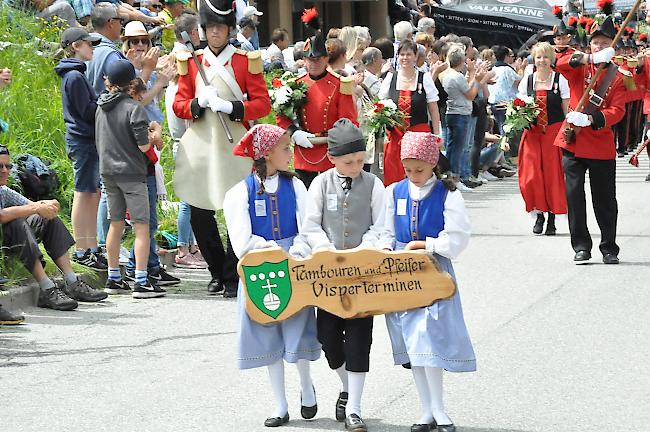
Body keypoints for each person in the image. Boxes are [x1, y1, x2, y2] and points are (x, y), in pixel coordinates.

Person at [223, 124, 320, 428]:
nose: (290, 153)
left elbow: (308, 227)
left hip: (293, 264)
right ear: (266, 154)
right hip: (260, 268)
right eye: (285, 149)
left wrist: (299, 250)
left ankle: (306, 384)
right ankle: (280, 403)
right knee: (267, 331)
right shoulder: (240, 192)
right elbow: (241, 241)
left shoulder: (297, 186)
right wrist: (270, 249)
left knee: (299, 328)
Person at [172, 0, 271, 296]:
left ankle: (232, 273)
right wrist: (197, 104)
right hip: (202, 144)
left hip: (235, 144)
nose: (215, 33)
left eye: (221, 27)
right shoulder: (192, 62)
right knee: (201, 211)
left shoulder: (245, 60)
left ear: (229, 30)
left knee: (237, 210)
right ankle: (215, 270)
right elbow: (179, 104)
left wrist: (231, 106)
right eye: (211, 27)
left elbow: (262, 103)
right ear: (203, 30)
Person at [378, 131, 475, 432]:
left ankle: (439, 409)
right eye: (408, 170)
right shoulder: (394, 192)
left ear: (432, 164)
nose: (413, 175)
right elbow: (385, 231)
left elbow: (457, 237)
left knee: (430, 338)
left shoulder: (448, 193)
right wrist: (385, 251)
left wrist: (427, 245)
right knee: (413, 343)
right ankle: (426, 410)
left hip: (434, 272)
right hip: (403, 275)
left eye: (419, 169)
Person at [295, 119, 385, 432]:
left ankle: (355, 409)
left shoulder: (373, 184)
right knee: (328, 338)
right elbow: (311, 225)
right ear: (332, 159)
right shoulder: (320, 184)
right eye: (349, 162)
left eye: (361, 160)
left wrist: (366, 249)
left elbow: (382, 226)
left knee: (360, 338)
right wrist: (325, 249)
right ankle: (345, 385)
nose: (356, 166)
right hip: (330, 274)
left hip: (363, 274)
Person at [553, 12, 626, 264]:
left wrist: (593, 119)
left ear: (612, 46)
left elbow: (618, 110)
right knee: (574, 196)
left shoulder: (617, 76)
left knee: (604, 198)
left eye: (605, 43)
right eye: (596, 43)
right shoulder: (581, 64)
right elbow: (560, 62)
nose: (600, 46)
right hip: (572, 140)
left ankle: (609, 247)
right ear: (590, 45)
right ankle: (581, 246)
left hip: (600, 143)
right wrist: (590, 57)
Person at [0, 146, 108, 311]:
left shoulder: (3, 190)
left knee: (47, 217)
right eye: (0, 167)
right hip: (4, 245)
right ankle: (46, 288)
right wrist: (36, 208)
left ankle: (72, 281)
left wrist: (48, 205)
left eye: (8, 166)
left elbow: (32, 206)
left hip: (9, 241)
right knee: (17, 223)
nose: (5, 171)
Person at [96, 59, 166, 298]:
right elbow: (143, 144)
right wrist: (156, 134)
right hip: (131, 173)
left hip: (107, 172)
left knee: (115, 223)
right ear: (131, 83)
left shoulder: (100, 107)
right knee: (141, 227)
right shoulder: (133, 108)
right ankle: (141, 280)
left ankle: (114, 277)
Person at [120, 20, 181, 287]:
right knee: (140, 217)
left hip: (150, 140)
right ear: (126, 44)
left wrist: (165, 71)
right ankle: (139, 267)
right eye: (134, 42)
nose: (140, 46)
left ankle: (151, 264)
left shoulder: (147, 65)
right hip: (134, 146)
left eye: (144, 41)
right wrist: (159, 80)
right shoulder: (125, 70)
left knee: (149, 213)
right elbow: (136, 101)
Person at [276, 9, 357, 189]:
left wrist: (336, 140)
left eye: (319, 59)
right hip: (304, 153)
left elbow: (349, 121)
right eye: (310, 60)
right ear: (304, 60)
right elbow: (282, 118)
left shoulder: (339, 84)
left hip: (331, 152)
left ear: (327, 59)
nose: (314, 63)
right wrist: (294, 133)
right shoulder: (294, 84)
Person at [54, 27, 107, 270]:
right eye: (88, 43)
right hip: (82, 140)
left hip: (87, 140)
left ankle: (91, 246)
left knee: (91, 192)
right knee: (83, 192)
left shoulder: (76, 74)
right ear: (75, 45)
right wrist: (103, 102)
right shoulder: (74, 76)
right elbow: (86, 111)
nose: (92, 48)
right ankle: (82, 249)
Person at [165, 13, 208, 269]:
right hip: (185, 142)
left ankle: (191, 244)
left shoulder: (175, 85)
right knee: (188, 200)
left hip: (186, 142)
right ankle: (183, 248)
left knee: (193, 199)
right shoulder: (176, 88)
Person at [517, 42, 569, 235]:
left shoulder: (559, 80)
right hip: (532, 134)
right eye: (538, 57)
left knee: (552, 177)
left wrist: (567, 133)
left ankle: (552, 219)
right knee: (531, 177)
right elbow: (519, 106)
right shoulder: (527, 80)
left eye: (546, 57)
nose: (542, 60)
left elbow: (566, 109)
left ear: (552, 59)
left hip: (553, 134)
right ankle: (539, 214)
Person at [378, 39, 441, 186]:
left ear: (415, 56)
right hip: (395, 136)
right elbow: (380, 104)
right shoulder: (390, 78)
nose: (405, 58)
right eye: (402, 54)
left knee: (419, 172)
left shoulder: (424, 78)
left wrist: (437, 135)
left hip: (419, 135)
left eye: (409, 54)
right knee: (394, 174)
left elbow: (433, 107)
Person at [440, 43, 491, 191]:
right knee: (458, 148)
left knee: (452, 147)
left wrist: (475, 76)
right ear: (461, 61)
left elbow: (467, 89)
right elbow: (470, 94)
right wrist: (477, 78)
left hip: (452, 113)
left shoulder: (449, 75)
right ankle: (455, 178)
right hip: (460, 113)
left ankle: (451, 176)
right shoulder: (456, 76)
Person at [488, 46, 522, 136]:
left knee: (501, 129)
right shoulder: (507, 69)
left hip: (493, 102)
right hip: (504, 103)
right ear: (506, 56)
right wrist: (521, 69)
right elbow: (519, 83)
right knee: (506, 133)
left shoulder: (492, 68)